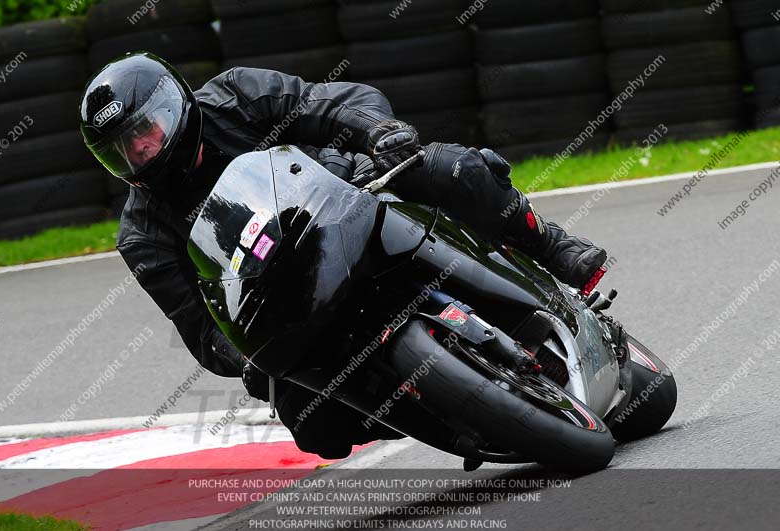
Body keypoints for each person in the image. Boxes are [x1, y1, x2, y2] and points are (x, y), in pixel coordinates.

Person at [79, 52, 607, 458]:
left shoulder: (235, 96)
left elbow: (325, 103)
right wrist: (242, 356)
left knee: (452, 169)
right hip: (289, 300)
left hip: (350, 196)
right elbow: (198, 327)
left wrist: (378, 130)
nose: (140, 152)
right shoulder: (142, 235)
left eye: (143, 133)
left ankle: (549, 244)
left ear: (173, 106)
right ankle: (444, 410)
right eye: (122, 151)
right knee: (313, 425)